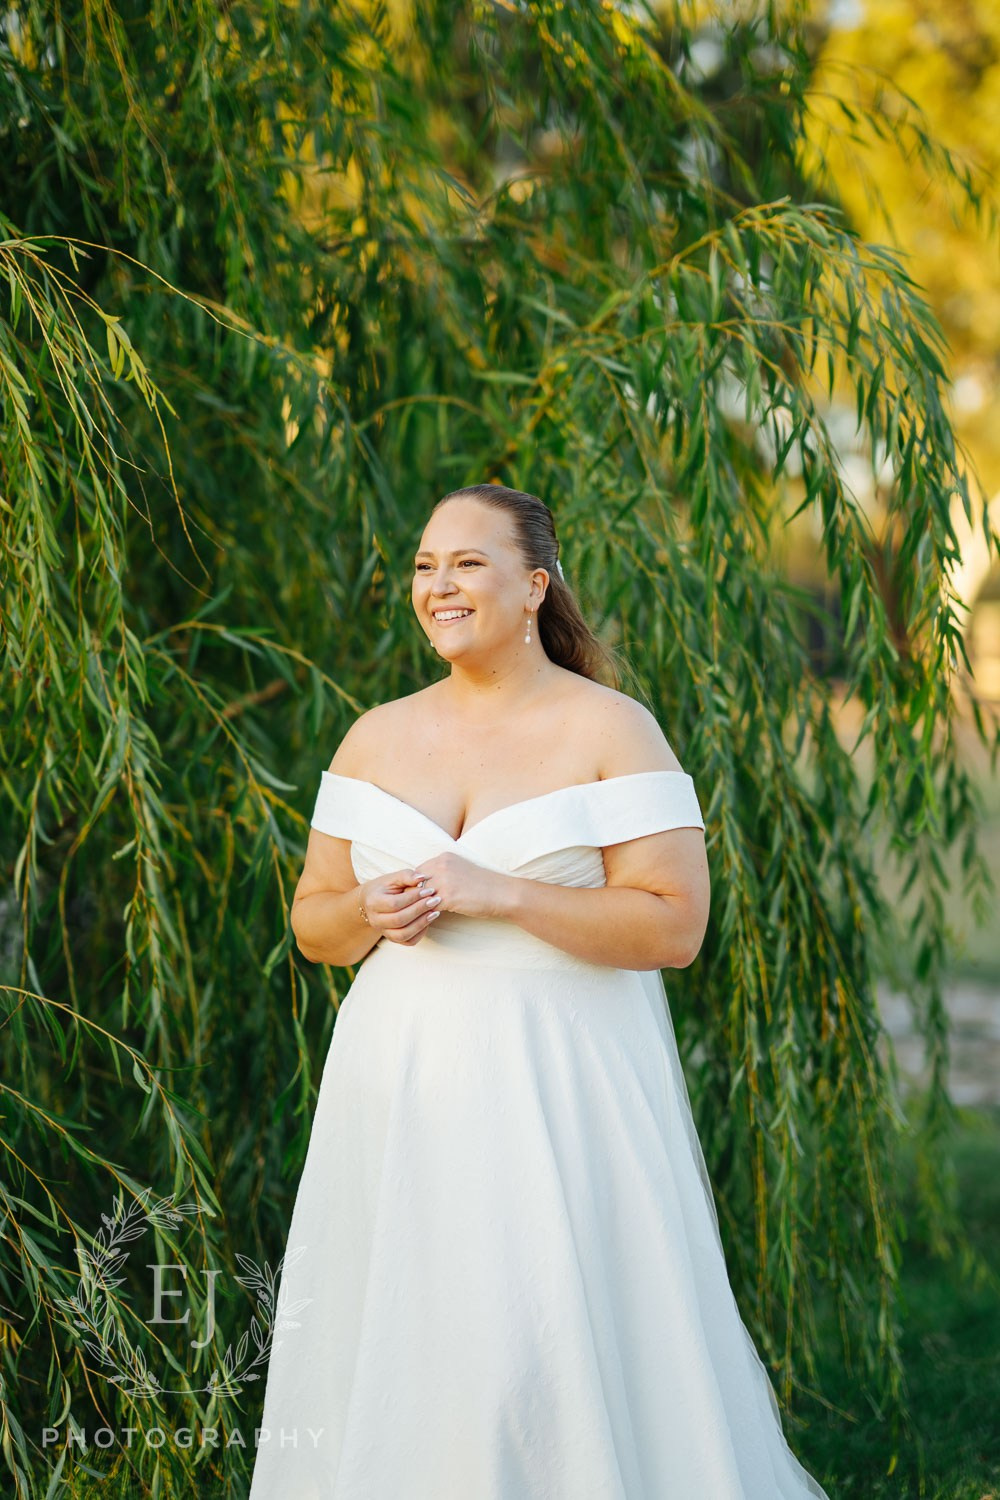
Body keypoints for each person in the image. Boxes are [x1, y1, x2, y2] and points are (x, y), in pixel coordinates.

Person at [247, 484, 831, 1499]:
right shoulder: (372, 737)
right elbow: (314, 922)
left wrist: (504, 891)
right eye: (425, 566)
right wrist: (368, 913)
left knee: (539, 1329)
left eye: (467, 563)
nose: (439, 585)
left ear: (533, 588)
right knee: (409, 1323)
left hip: (559, 1079)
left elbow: (674, 928)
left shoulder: (611, 730)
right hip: (399, 1081)